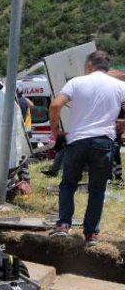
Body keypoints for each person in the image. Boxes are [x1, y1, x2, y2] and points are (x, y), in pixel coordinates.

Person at [49, 51, 125, 245]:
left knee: (68, 185)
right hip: (103, 143)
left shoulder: (76, 82)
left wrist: (55, 132)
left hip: (77, 141)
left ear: (90, 65)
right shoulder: (120, 86)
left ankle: (63, 225)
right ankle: (91, 234)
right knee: (97, 190)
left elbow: (55, 106)